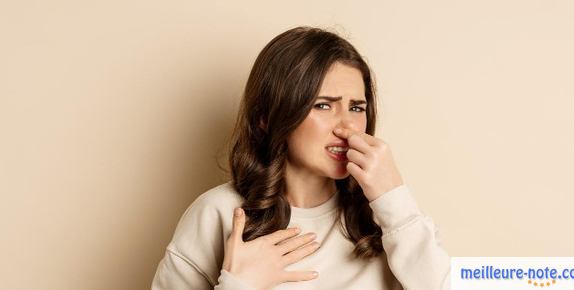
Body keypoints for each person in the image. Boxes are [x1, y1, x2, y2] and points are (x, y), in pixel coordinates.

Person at [151, 26, 450, 290]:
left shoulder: (386, 216)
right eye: (323, 106)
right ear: (267, 118)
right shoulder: (217, 214)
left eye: (357, 108)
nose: (347, 126)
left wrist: (394, 198)